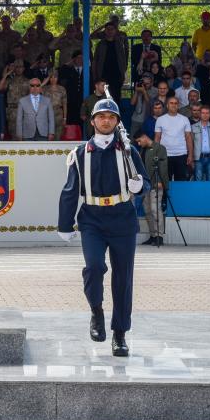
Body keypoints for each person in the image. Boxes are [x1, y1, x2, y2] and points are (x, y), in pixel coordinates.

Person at [58, 97, 150, 357]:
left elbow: (146, 182)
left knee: (123, 278)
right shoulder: (79, 154)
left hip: (122, 217)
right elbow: (70, 191)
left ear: (117, 122)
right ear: (93, 121)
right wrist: (65, 224)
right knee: (95, 266)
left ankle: (119, 334)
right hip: (92, 219)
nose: (106, 120)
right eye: (101, 116)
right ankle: (96, 312)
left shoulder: (129, 151)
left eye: (111, 117)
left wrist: (139, 186)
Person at [134, 131, 168, 247]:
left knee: (155, 209)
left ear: (145, 136)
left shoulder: (159, 148)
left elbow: (163, 166)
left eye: (139, 141)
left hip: (156, 184)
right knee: (148, 211)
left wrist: (160, 181)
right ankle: (153, 236)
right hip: (145, 186)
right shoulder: (142, 151)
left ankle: (159, 236)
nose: (139, 143)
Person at [154, 97, 193, 181]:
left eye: (176, 103)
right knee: (165, 180)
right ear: (167, 105)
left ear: (178, 105)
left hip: (181, 154)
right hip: (165, 154)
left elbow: (188, 138)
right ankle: (166, 195)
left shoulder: (185, 119)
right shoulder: (160, 120)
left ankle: (181, 195)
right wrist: (156, 153)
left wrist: (190, 155)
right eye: (171, 103)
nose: (174, 105)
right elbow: (157, 138)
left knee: (181, 181)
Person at [16, 76, 54, 141]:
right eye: (32, 85)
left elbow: (51, 118)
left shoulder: (47, 100)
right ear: (29, 87)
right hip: (27, 134)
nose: (35, 87)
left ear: (40, 87)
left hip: (43, 133)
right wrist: (19, 134)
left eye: (38, 85)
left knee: (42, 151)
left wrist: (51, 132)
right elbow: (19, 119)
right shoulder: (22, 101)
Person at [191, 105, 210, 181]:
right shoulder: (193, 127)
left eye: (207, 113)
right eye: (203, 113)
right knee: (198, 179)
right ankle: (199, 193)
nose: (205, 115)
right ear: (200, 114)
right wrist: (192, 158)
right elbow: (191, 144)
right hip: (198, 158)